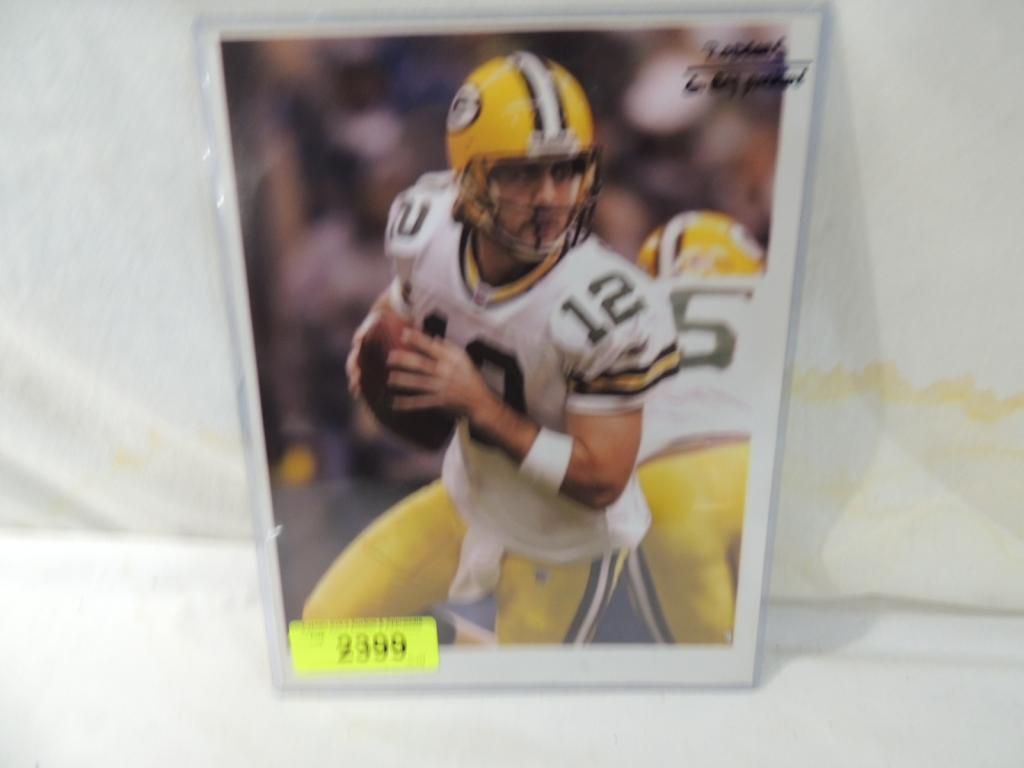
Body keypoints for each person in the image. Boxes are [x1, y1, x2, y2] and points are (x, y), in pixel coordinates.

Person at [302, 51, 679, 644]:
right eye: (523, 175)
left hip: (563, 547)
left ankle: (482, 668)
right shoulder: (426, 229)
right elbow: (403, 298)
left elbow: (602, 478)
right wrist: (374, 334)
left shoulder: (605, 305)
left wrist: (482, 407)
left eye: (566, 170)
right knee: (328, 639)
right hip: (468, 500)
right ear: (472, 179)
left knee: (519, 695)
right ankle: (467, 655)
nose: (551, 196)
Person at [628, 210, 764, 643]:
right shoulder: (767, 306)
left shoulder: (626, 310)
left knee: (703, 662)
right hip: (754, 466)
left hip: (664, 478)